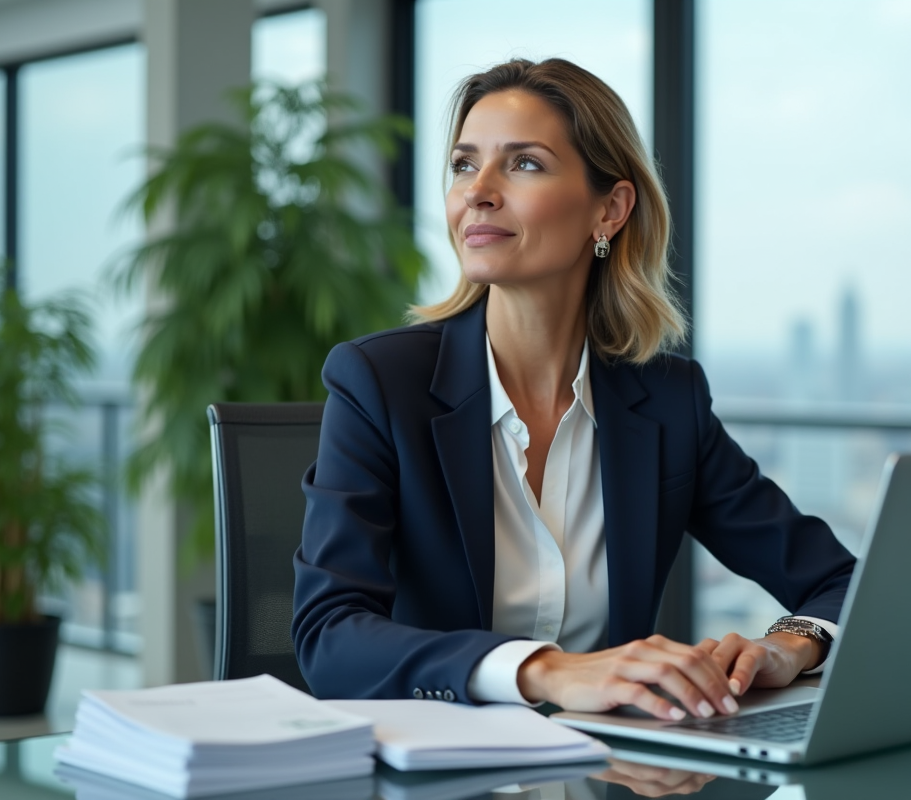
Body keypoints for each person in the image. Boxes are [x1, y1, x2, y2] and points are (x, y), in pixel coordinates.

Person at [292, 58, 855, 723]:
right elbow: (328, 637)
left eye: (523, 164)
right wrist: (547, 670)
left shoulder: (666, 401)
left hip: (616, 771)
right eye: (465, 165)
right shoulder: (380, 383)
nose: (478, 191)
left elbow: (840, 583)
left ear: (610, 210)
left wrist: (792, 646)